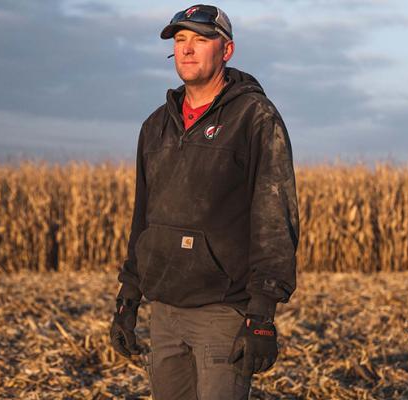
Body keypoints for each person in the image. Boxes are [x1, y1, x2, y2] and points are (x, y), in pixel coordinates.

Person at [109, 4, 299, 399]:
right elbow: (143, 216)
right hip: (165, 310)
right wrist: (129, 297)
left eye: (200, 39)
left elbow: (275, 216)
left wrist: (261, 314)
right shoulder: (155, 125)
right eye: (180, 40)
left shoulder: (255, 118)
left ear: (226, 51)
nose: (188, 49)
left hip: (222, 311)